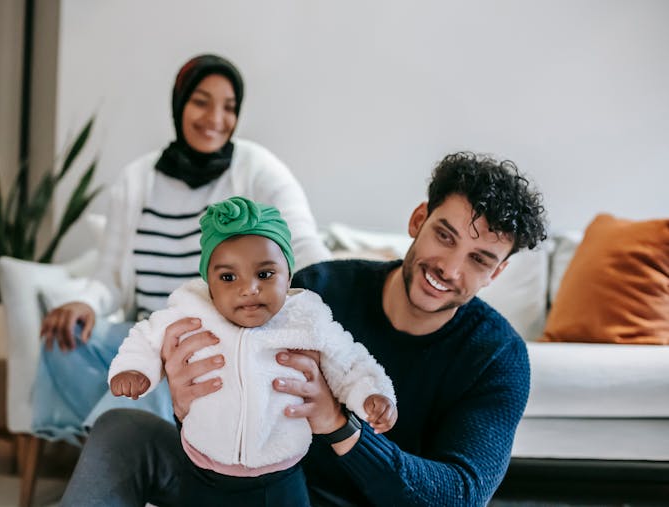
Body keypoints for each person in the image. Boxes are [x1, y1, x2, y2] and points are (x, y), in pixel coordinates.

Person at [60, 151, 548, 506]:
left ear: (497, 273)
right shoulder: (318, 292)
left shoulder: (497, 357)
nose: (450, 268)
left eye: (479, 259)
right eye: (445, 236)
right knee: (123, 430)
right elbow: (233, 382)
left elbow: (458, 495)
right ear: (418, 219)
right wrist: (187, 406)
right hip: (246, 485)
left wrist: (339, 426)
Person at [33, 54, 331, 443]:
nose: (215, 118)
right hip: (147, 331)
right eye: (201, 101)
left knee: (176, 363)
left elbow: (305, 248)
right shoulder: (136, 180)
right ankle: (137, 433)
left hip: (219, 337)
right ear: (180, 103)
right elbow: (108, 277)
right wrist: (85, 303)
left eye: (229, 107)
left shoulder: (258, 168)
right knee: (65, 340)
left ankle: (120, 443)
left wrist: (332, 297)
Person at [109, 196, 396, 506]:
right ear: (209, 283)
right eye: (228, 277)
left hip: (281, 476)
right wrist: (134, 369)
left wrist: (371, 394)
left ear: (288, 277)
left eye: (265, 274)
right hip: (204, 470)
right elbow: (146, 336)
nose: (248, 289)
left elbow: (349, 361)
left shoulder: (306, 319)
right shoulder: (191, 310)